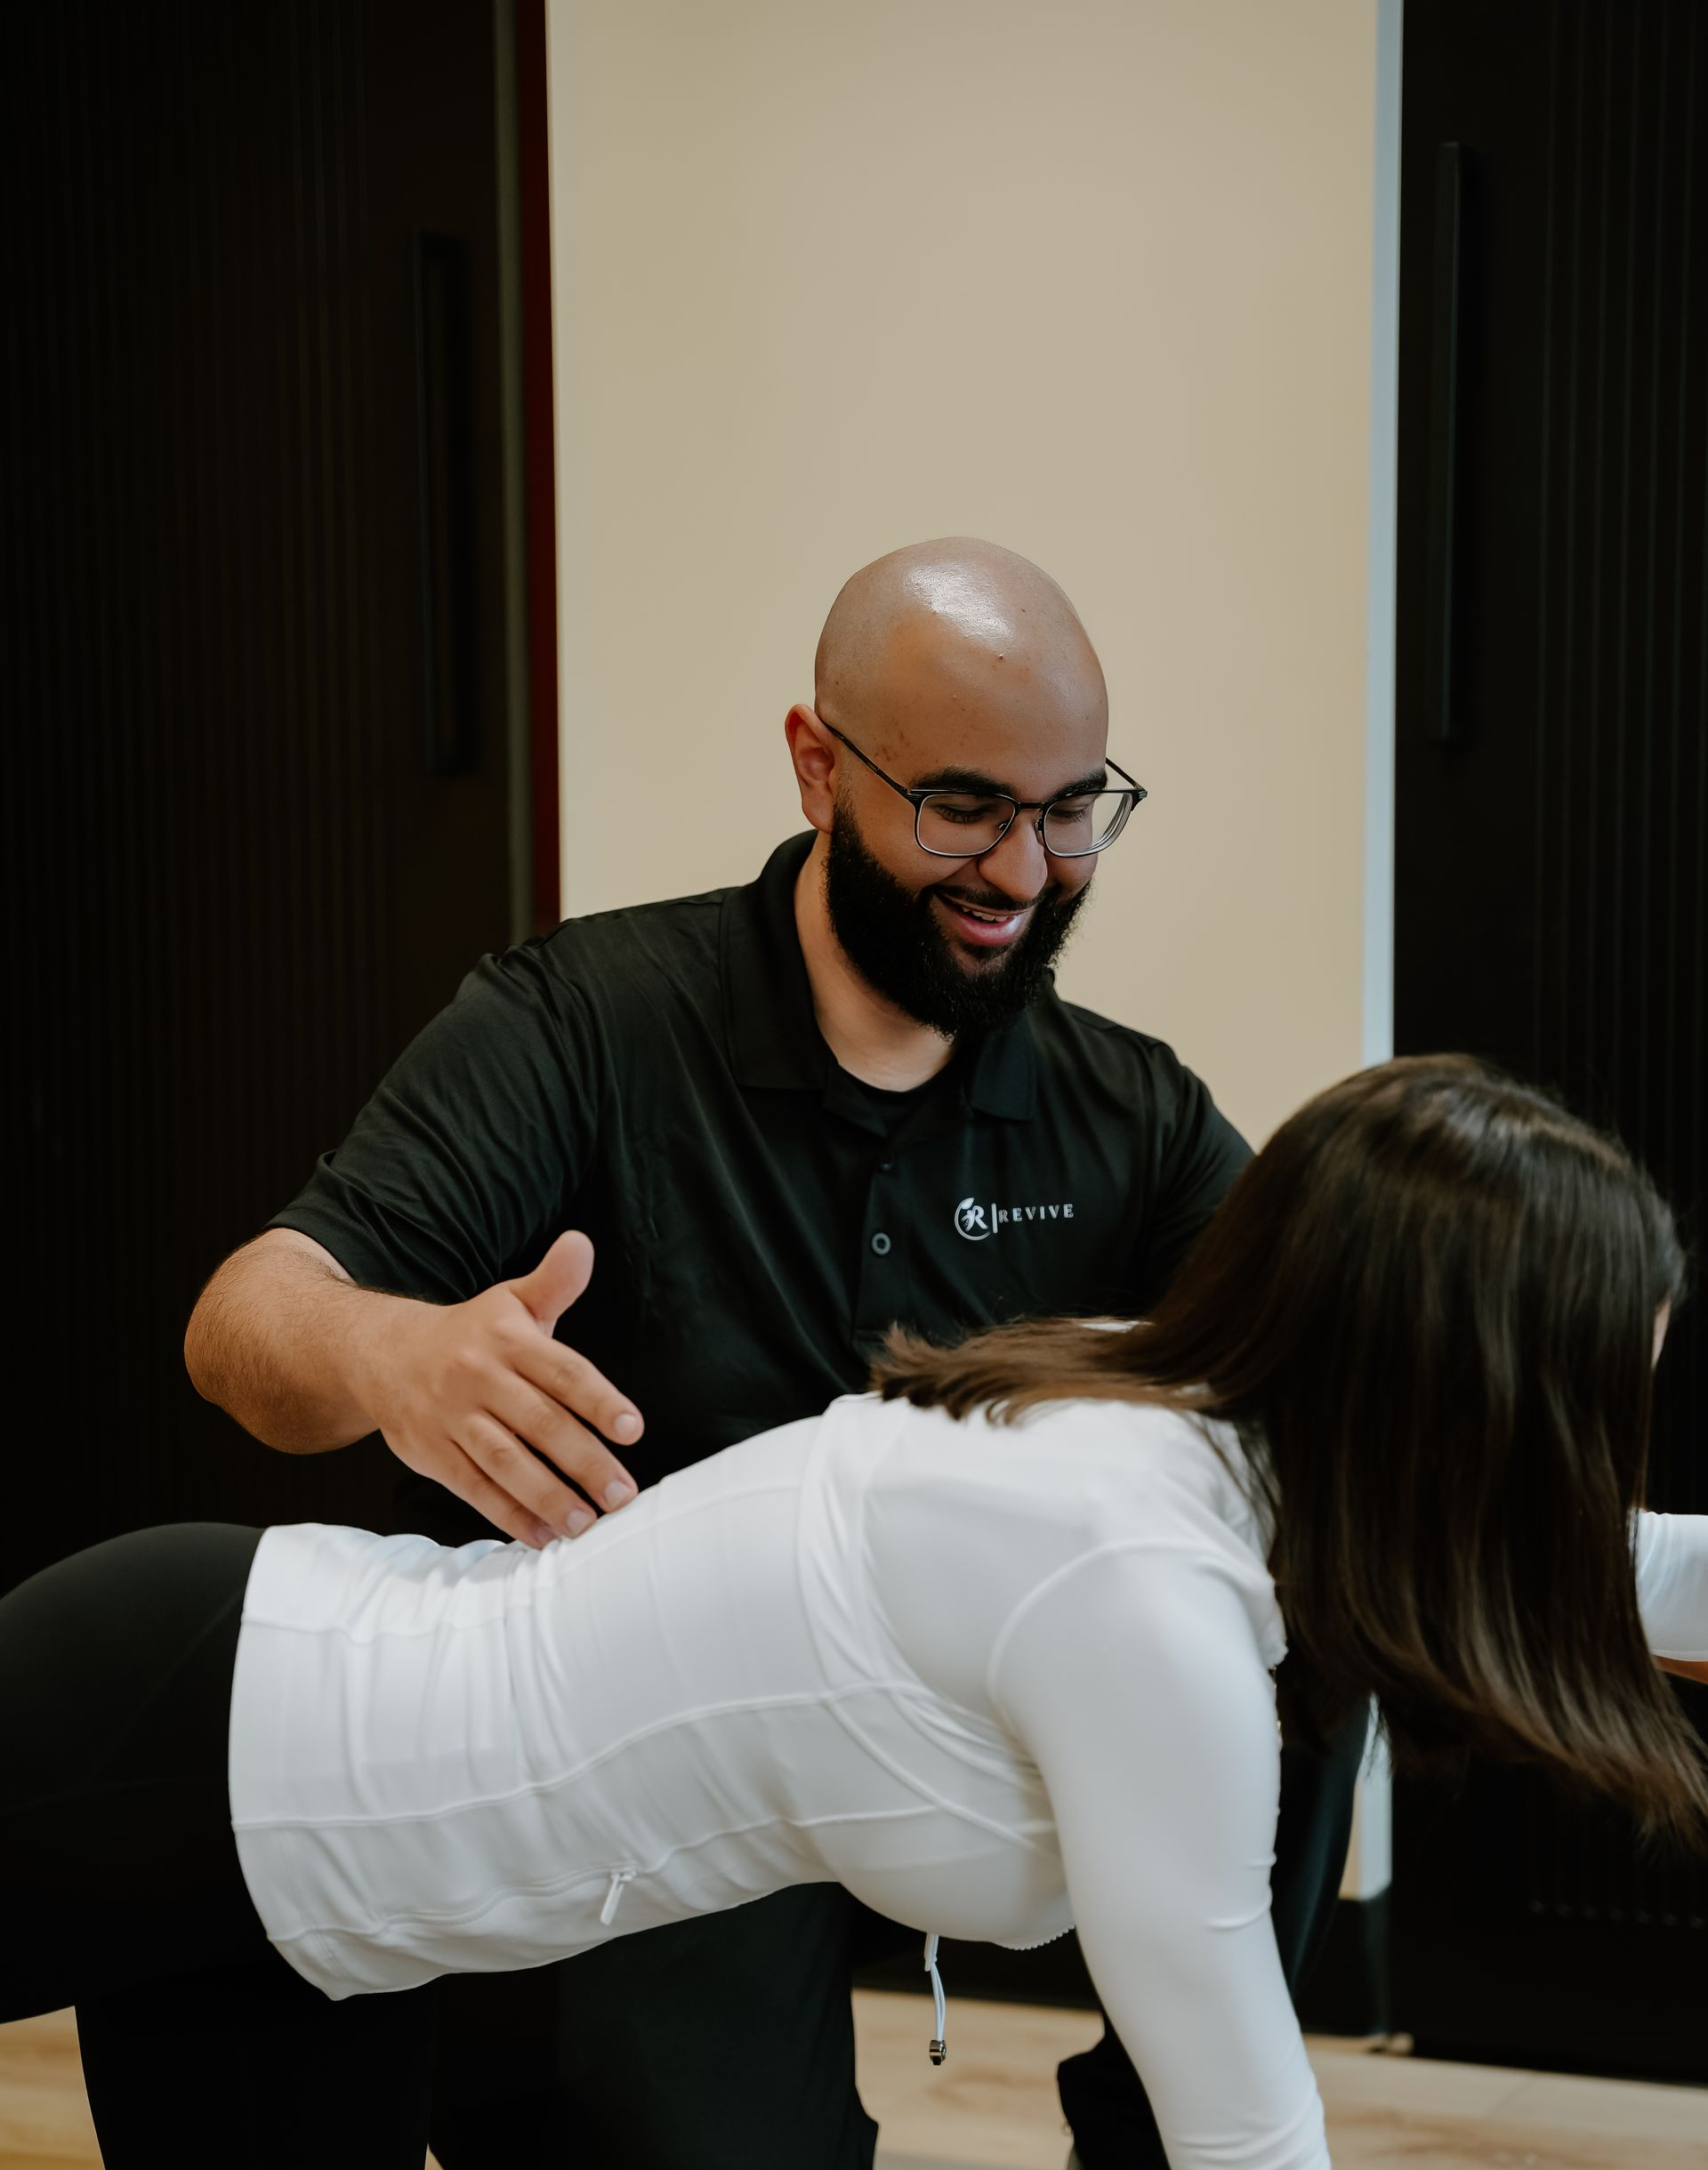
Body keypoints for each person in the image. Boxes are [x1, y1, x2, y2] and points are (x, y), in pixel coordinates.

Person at [179, 536, 1360, 2170]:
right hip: (656, 1769)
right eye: (964, 805)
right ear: (818, 766)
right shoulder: (587, 1023)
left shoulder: (1128, 1115)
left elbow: (1350, 1402)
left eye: (1073, 807)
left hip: (961, 1746)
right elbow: (247, 1318)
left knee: (1329, 1603)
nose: (1026, 869)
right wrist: (389, 1350)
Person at [4, 1057, 1706, 2170]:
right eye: (1585, 1415)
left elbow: (1564, 1551)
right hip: (187, 1735)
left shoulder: (1174, 1421)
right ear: (1466, 1405)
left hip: (333, 1921)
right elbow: (1247, 2134)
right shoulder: (1142, 1593)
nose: (1586, 1468)